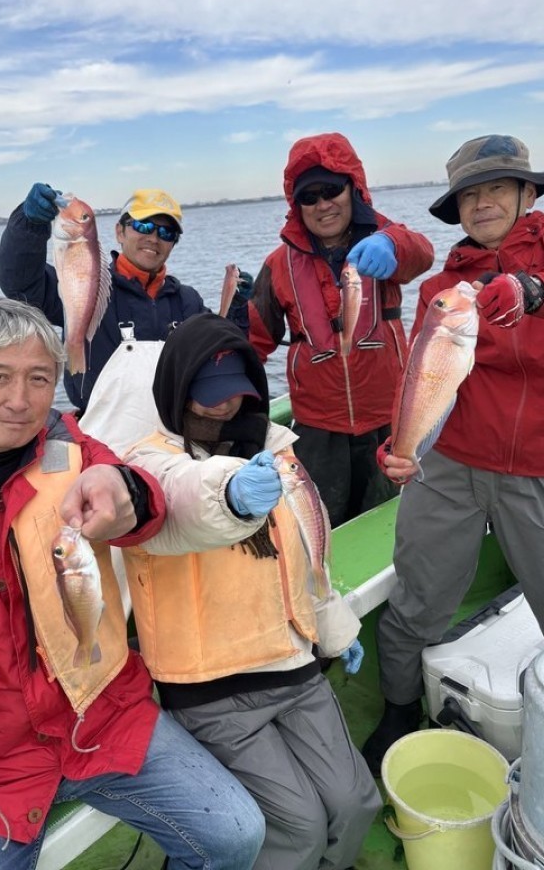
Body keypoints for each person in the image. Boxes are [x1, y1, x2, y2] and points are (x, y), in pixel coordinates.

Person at [0, 297, 265, 870]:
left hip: (103, 719)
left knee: (236, 835)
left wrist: (129, 494)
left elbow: (148, 497)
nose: (21, 400)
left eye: (39, 378)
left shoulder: (75, 448)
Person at [123, 313, 378, 869]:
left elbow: (309, 558)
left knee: (357, 802)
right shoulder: (144, 467)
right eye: (206, 395)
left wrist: (333, 628)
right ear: (176, 389)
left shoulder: (279, 452)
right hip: (213, 691)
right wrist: (233, 494)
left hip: (292, 664)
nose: (222, 407)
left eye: (234, 393)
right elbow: (183, 500)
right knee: (301, 827)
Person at [363, 134, 544, 774]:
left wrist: (532, 289)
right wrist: (401, 443)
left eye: (496, 187)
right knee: (418, 598)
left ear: (528, 193)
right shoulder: (444, 287)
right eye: (469, 194)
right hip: (451, 467)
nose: (483, 202)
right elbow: (422, 378)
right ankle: (397, 707)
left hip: (537, 468)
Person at [247, 132, 434, 527]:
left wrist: (391, 244)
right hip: (318, 427)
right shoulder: (279, 264)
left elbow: (422, 254)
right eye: (308, 197)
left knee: (387, 522)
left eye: (332, 189)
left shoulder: (387, 239)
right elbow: (253, 340)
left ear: (354, 189)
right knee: (321, 525)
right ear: (296, 206)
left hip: (387, 420)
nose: (323, 204)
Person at [0, 184, 249, 443]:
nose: (154, 237)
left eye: (167, 232)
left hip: (173, 435)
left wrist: (238, 307)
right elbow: (20, 284)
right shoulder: (87, 285)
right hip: (101, 438)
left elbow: (221, 359)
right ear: (119, 231)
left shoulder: (187, 300)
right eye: (143, 226)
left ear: (174, 243)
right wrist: (29, 225)